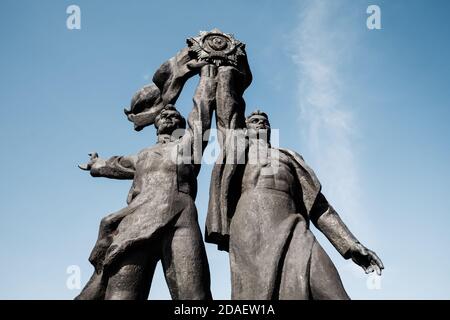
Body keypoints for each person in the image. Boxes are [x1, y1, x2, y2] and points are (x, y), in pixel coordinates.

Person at [206, 110, 384, 299]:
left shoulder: (289, 157)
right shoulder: (238, 149)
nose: (261, 124)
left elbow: (319, 206)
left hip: (292, 222)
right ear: (245, 127)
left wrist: (351, 244)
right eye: (254, 121)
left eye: (265, 122)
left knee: (332, 289)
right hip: (250, 221)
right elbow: (228, 109)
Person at [76, 64, 217, 300]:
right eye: (164, 115)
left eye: (175, 115)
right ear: (156, 125)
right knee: (121, 295)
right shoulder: (142, 155)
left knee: (194, 297)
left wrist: (206, 78)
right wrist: (96, 164)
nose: (169, 116)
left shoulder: (188, 147)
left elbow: (201, 114)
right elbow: (115, 164)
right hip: (139, 218)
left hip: (180, 218)